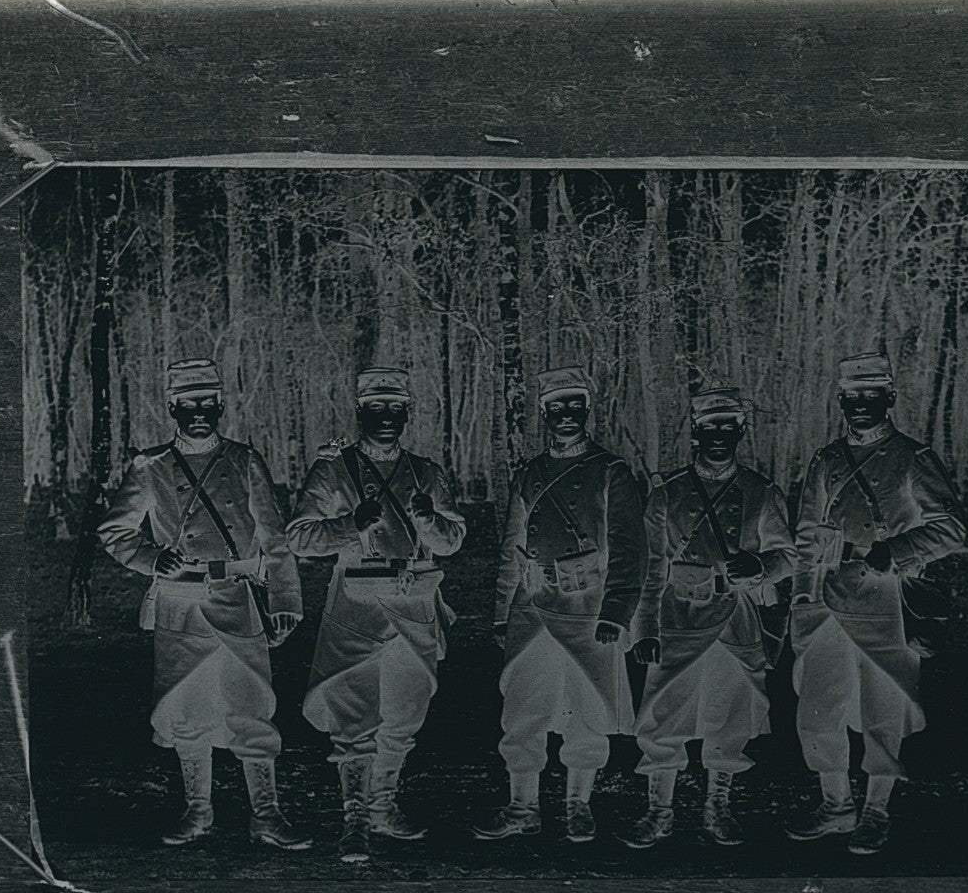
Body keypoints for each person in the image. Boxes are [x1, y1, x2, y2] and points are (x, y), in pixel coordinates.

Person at [96, 358, 309, 849]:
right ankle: (197, 811)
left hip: (237, 600)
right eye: (187, 404)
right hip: (180, 604)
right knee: (186, 711)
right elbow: (114, 530)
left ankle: (267, 814)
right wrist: (152, 558)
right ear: (173, 408)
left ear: (219, 406)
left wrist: (285, 599)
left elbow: (274, 537)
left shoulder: (244, 460)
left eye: (207, 403)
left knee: (251, 707)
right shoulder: (150, 468)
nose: (198, 413)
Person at [785, 351, 966, 854]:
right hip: (826, 608)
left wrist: (900, 550)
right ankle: (836, 805)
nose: (860, 405)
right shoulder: (826, 460)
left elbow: (950, 527)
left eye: (871, 395)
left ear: (888, 398)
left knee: (882, 715)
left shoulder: (914, 458)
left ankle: (876, 811)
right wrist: (802, 598)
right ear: (841, 401)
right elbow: (805, 539)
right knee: (816, 713)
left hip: (885, 606)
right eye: (851, 397)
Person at [288, 367, 467, 862]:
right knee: (354, 720)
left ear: (407, 412)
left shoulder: (427, 471)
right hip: (357, 611)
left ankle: (385, 805)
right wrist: (350, 523)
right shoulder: (332, 471)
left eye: (395, 409)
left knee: (405, 714)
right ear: (360, 411)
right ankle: (355, 821)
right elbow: (299, 536)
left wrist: (431, 520)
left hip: (415, 609)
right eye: (376, 408)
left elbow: (454, 541)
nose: (386, 418)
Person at [474, 365, 647, 844]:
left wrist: (616, 611)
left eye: (574, 405)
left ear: (587, 411)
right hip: (531, 611)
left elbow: (630, 549)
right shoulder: (529, 473)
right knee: (522, 710)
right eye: (556, 407)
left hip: (589, 612)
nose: (565, 415)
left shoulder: (611, 472)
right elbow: (512, 548)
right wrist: (499, 614)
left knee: (587, 711)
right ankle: (522, 806)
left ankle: (577, 806)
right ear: (544, 413)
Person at [621, 386, 796, 848]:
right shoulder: (667, 494)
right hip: (679, 617)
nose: (719, 435)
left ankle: (718, 807)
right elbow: (651, 565)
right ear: (695, 432)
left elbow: (788, 554)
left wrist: (762, 566)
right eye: (709, 427)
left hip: (736, 621)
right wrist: (644, 628)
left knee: (731, 716)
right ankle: (659, 812)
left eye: (728, 426)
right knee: (662, 715)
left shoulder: (761, 491)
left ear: (741, 430)